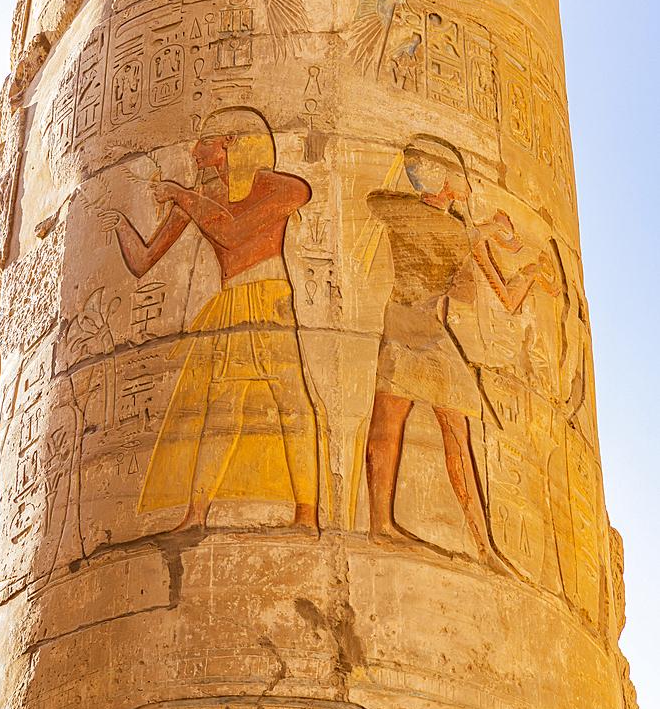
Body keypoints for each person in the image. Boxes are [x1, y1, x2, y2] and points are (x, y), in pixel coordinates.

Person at [99, 107, 318, 531]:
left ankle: (307, 516)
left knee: (291, 405)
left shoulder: (279, 186)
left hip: (270, 296)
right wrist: (121, 225)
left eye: (204, 141)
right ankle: (196, 515)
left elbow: (234, 232)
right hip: (233, 302)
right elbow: (144, 260)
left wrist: (182, 195)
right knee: (223, 410)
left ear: (229, 142)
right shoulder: (201, 200)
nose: (194, 151)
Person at [364, 135, 560, 568]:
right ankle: (380, 524)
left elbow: (505, 298)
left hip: (432, 334)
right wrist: (486, 231)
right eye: (461, 179)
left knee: (456, 433)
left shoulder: (462, 232)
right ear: (444, 180)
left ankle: (483, 546)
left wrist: (529, 272)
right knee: (389, 420)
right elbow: (388, 208)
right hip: (402, 323)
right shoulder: (409, 213)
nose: (468, 186)